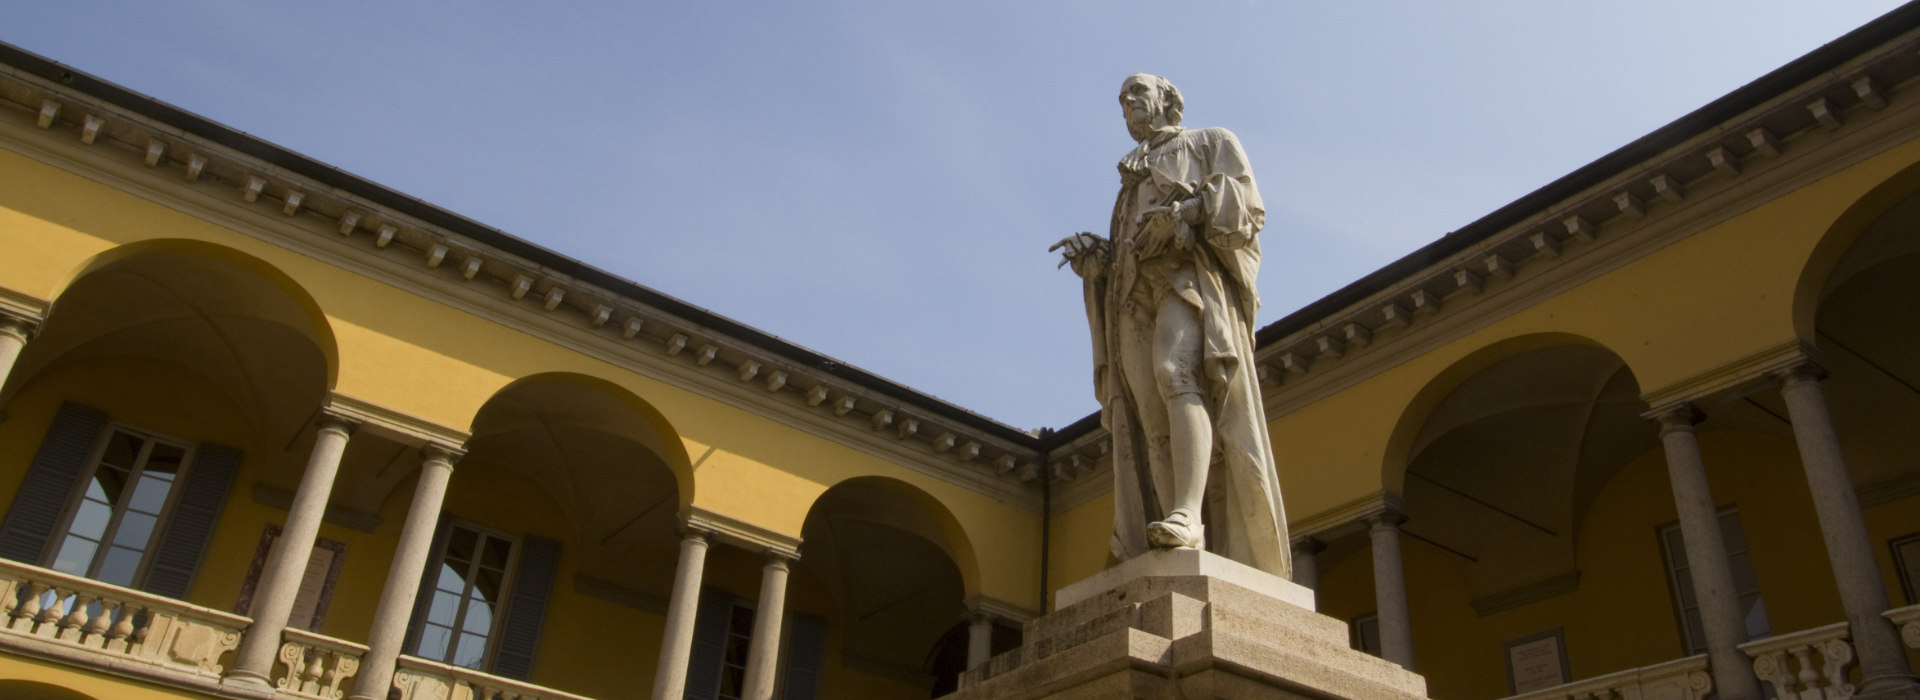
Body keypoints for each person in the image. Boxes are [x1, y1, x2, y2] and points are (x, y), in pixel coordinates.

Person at [1051, 73, 1290, 578]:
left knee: (1174, 373)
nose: (1127, 101)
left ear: (1167, 99)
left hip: (1186, 278)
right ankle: (1172, 523)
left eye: (1137, 91)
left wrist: (1187, 212)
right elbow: (1129, 245)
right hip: (1131, 293)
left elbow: (1247, 206)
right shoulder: (1130, 177)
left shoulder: (1210, 142)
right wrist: (1098, 260)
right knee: (1147, 414)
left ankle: (1189, 516)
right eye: (1122, 98)